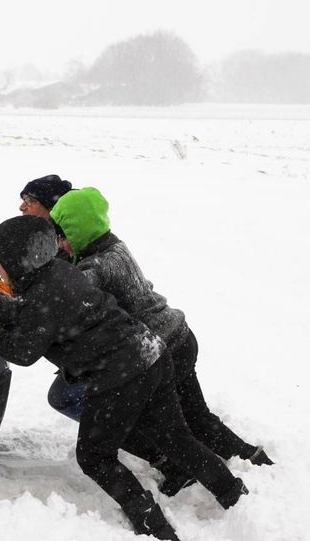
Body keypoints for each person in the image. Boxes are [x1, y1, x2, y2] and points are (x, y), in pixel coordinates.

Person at [0, 216, 247, 540]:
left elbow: (23, 350)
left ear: (21, 262)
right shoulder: (56, 274)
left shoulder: (46, 291)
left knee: (94, 456)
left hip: (121, 374)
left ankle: (153, 526)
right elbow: (35, 315)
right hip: (151, 354)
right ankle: (235, 496)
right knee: (176, 438)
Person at [48, 187, 273, 495]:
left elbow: (66, 303)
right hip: (178, 336)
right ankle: (251, 458)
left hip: (161, 348)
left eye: (64, 233)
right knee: (196, 420)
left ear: (78, 230)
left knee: (175, 429)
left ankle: (214, 471)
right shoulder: (112, 245)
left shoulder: (96, 267)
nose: (60, 241)